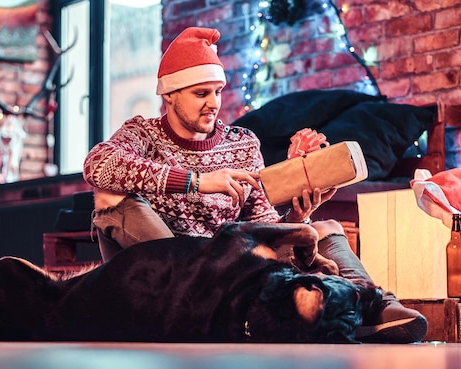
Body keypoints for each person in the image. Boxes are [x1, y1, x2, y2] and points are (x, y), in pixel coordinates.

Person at [83, 26, 427, 343]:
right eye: (201, 93)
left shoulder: (243, 143)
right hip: (175, 272)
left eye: (218, 91)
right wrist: (197, 182)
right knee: (111, 194)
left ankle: (370, 307)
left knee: (326, 227)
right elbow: (97, 164)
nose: (214, 103)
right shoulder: (144, 133)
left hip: (235, 267)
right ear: (170, 95)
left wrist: (298, 214)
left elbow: (263, 225)